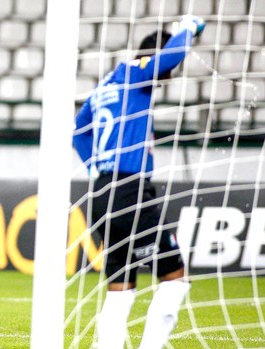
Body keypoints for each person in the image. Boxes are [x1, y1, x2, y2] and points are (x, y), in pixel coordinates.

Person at [72, 15, 205, 349]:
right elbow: (168, 58)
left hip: (102, 192)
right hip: (130, 190)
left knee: (121, 284)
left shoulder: (106, 86)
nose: (169, 76)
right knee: (174, 277)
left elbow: (78, 129)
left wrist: (96, 167)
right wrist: (187, 28)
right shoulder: (135, 71)